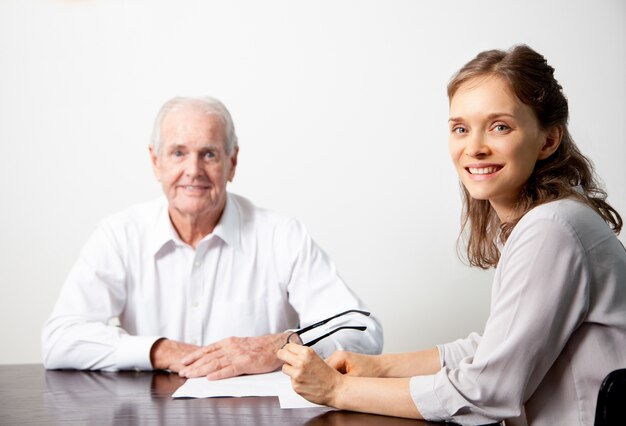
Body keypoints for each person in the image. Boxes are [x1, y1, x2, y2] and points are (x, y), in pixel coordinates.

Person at [278, 45, 626, 425]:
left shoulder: (552, 229)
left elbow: (488, 390)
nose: (474, 148)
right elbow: (496, 346)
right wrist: (377, 367)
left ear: (548, 140)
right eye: (461, 128)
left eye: (500, 126)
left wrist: (337, 390)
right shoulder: (553, 219)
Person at [42, 96, 383, 379]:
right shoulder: (119, 235)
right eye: (178, 153)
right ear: (155, 161)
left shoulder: (282, 235)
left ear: (232, 163)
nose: (193, 170)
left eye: (209, 154)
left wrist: (278, 346)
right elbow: (60, 339)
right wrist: (161, 350)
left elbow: (361, 330)